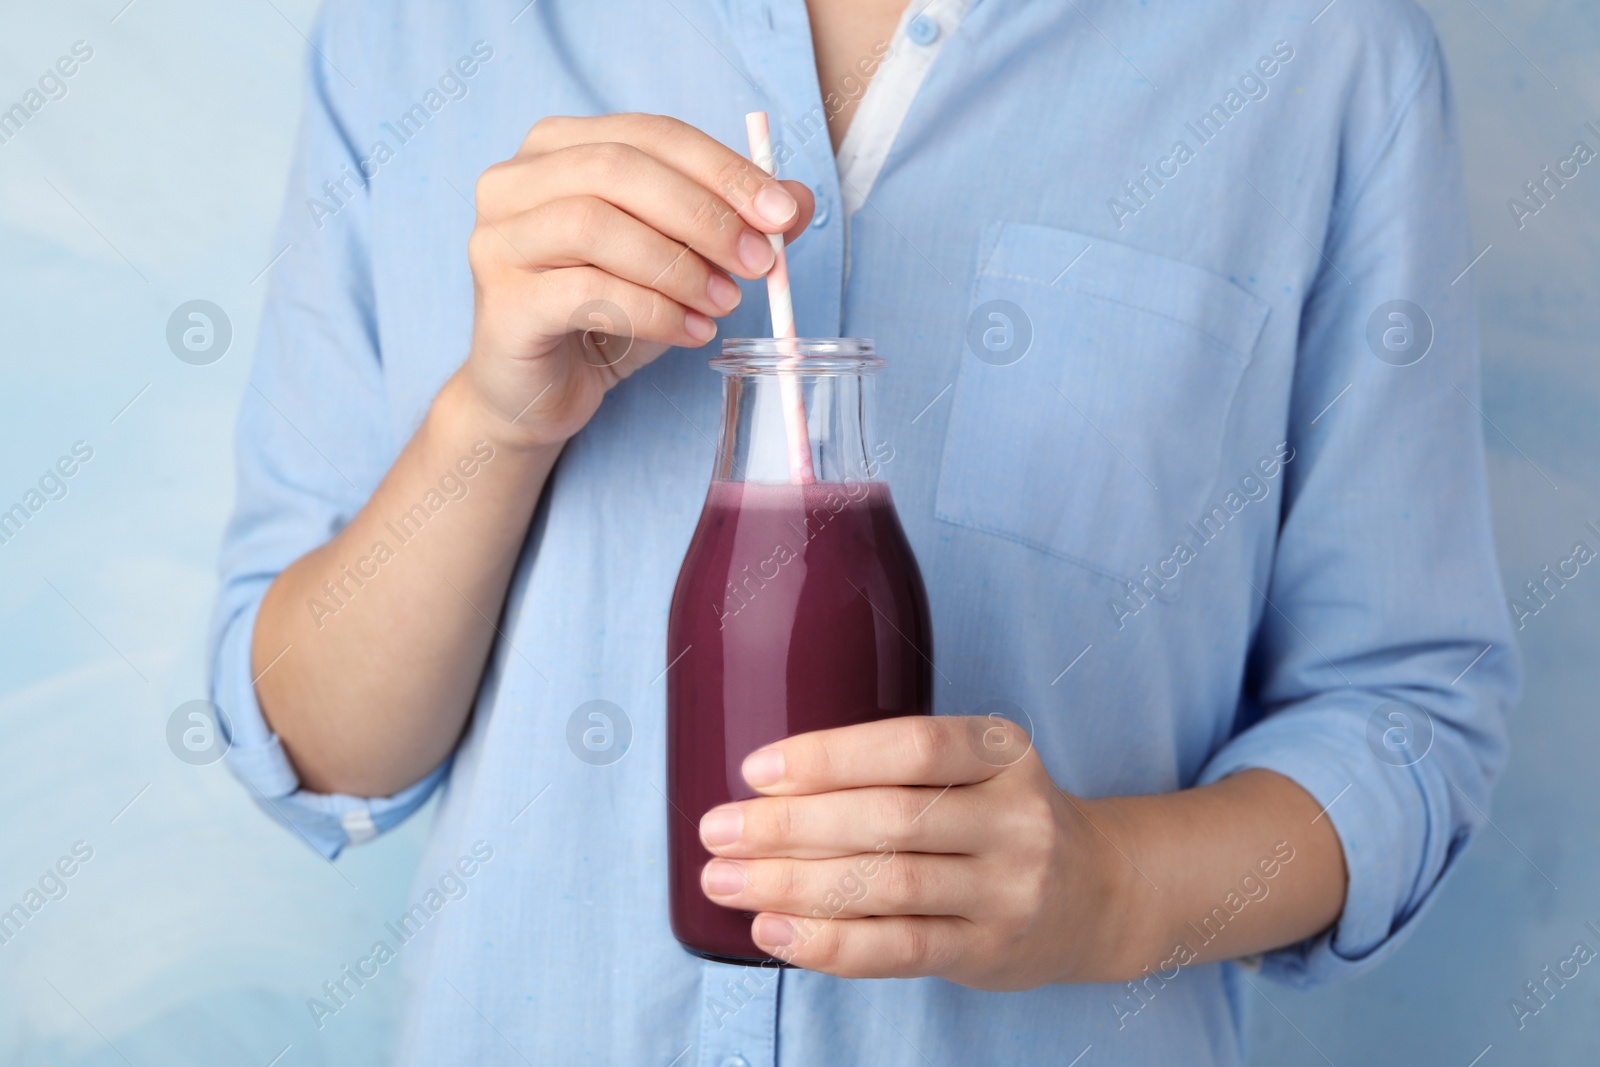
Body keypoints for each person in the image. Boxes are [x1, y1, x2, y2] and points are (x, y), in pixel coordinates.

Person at [208, 0, 1519, 1062]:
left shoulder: (1323, 56)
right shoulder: (408, 39)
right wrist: (490, 422)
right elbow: (321, 746)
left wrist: (1109, 891)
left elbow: (1409, 723)